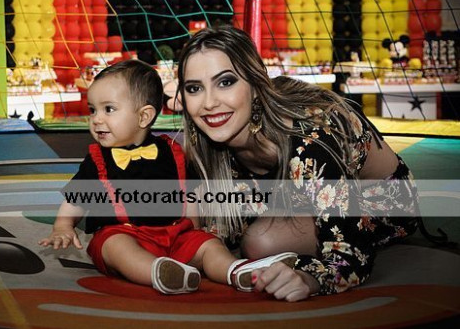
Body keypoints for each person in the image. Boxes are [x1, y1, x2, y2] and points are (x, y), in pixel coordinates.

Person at [177, 26, 419, 301]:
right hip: (291, 193)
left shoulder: (310, 138)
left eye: (225, 82)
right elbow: (188, 231)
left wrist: (309, 278)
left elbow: (349, 254)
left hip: (383, 202)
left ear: (255, 86)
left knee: (260, 242)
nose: (209, 102)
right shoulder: (205, 143)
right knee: (210, 228)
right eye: (194, 88)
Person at [38, 59, 290, 294]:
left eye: (108, 109)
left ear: (144, 116)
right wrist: (63, 226)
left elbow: (188, 194)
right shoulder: (97, 159)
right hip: (123, 232)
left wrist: (194, 229)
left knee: (208, 244)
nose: (96, 120)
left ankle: (235, 271)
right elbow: (76, 198)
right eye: (93, 110)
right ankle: (158, 272)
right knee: (115, 246)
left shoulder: (172, 151)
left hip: (174, 233)